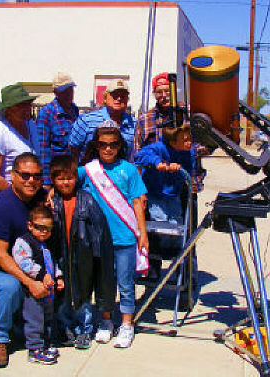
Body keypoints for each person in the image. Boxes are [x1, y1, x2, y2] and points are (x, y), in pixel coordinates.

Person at [78, 120, 148, 348]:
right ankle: (106, 320)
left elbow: (138, 202)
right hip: (98, 238)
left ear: (120, 145)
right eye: (103, 144)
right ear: (96, 145)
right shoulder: (88, 170)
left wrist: (143, 233)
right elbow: (65, 180)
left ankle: (127, 324)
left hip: (125, 237)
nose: (108, 148)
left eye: (113, 144)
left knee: (126, 283)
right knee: (103, 283)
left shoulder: (129, 170)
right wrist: (49, 192)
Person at [0, 153, 48, 368]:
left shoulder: (40, 197)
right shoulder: (2, 206)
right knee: (10, 287)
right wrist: (30, 282)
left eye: (37, 176)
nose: (31, 181)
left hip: (28, 264)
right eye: (25, 175)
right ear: (12, 175)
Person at [50, 155, 116, 350]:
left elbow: (99, 230)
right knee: (63, 297)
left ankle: (85, 329)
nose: (65, 182)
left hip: (83, 258)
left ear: (76, 178)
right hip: (61, 257)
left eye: (69, 177)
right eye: (60, 178)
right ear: (53, 180)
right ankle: (66, 328)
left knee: (83, 296)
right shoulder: (52, 202)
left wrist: (97, 259)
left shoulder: (86, 199)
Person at [134, 123, 197, 279]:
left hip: (173, 194)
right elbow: (140, 155)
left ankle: (176, 258)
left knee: (176, 224)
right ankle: (158, 255)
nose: (189, 143)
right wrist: (159, 163)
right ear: (172, 141)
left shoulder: (189, 153)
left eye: (190, 139)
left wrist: (183, 175)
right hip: (156, 193)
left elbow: (189, 169)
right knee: (160, 222)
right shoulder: (159, 147)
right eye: (185, 140)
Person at [12, 205, 64, 365]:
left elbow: (52, 262)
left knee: (48, 318)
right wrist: (41, 274)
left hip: (48, 291)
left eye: (48, 228)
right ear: (30, 225)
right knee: (35, 319)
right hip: (33, 292)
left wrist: (58, 276)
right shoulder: (24, 242)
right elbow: (23, 262)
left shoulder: (46, 244)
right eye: (39, 227)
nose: (44, 232)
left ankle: (46, 343)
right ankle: (34, 349)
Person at [0, 83, 40, 202]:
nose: (26, 109)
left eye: (27, 104)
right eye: (20, 106)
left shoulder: (32, 127)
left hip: (28, 198)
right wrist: (16, 199)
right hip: (4, 199)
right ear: (8, 109)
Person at [68, 79, 135, 164]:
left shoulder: (135, 124)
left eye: (123, 96)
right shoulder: (86, 120)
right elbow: (73, 148)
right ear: (105, 98)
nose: (119, 98)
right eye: (114, 95)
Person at [36, 73, 79, 190]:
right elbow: (43, 149)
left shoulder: (75, 111)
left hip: (72, 174)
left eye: (70, 90)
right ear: (55, 92)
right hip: (56, 177)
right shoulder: (46, 113)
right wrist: (46, 182)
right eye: (64, 91)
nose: (68, 94)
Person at [134, 72, 171, 152]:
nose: (164, 95)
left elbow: (201, 144)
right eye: (159, 92)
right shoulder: (144, 119)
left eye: (167, 91)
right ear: (154, 94)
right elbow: (137, 151)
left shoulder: (186, 113)